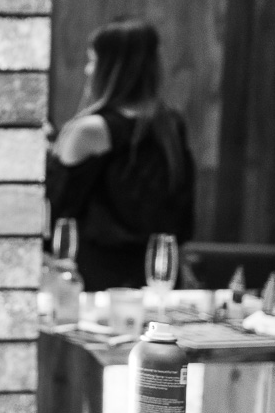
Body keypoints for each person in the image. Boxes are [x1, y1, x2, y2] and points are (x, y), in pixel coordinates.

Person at [47, 19, 196, 291]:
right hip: (159, 279)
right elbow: (182, 219)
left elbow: (56, 208)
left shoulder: (90, 130)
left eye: (92, 60)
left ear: (111, 68)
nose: (87, 70)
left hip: (98, 283)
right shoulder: (171, 125)